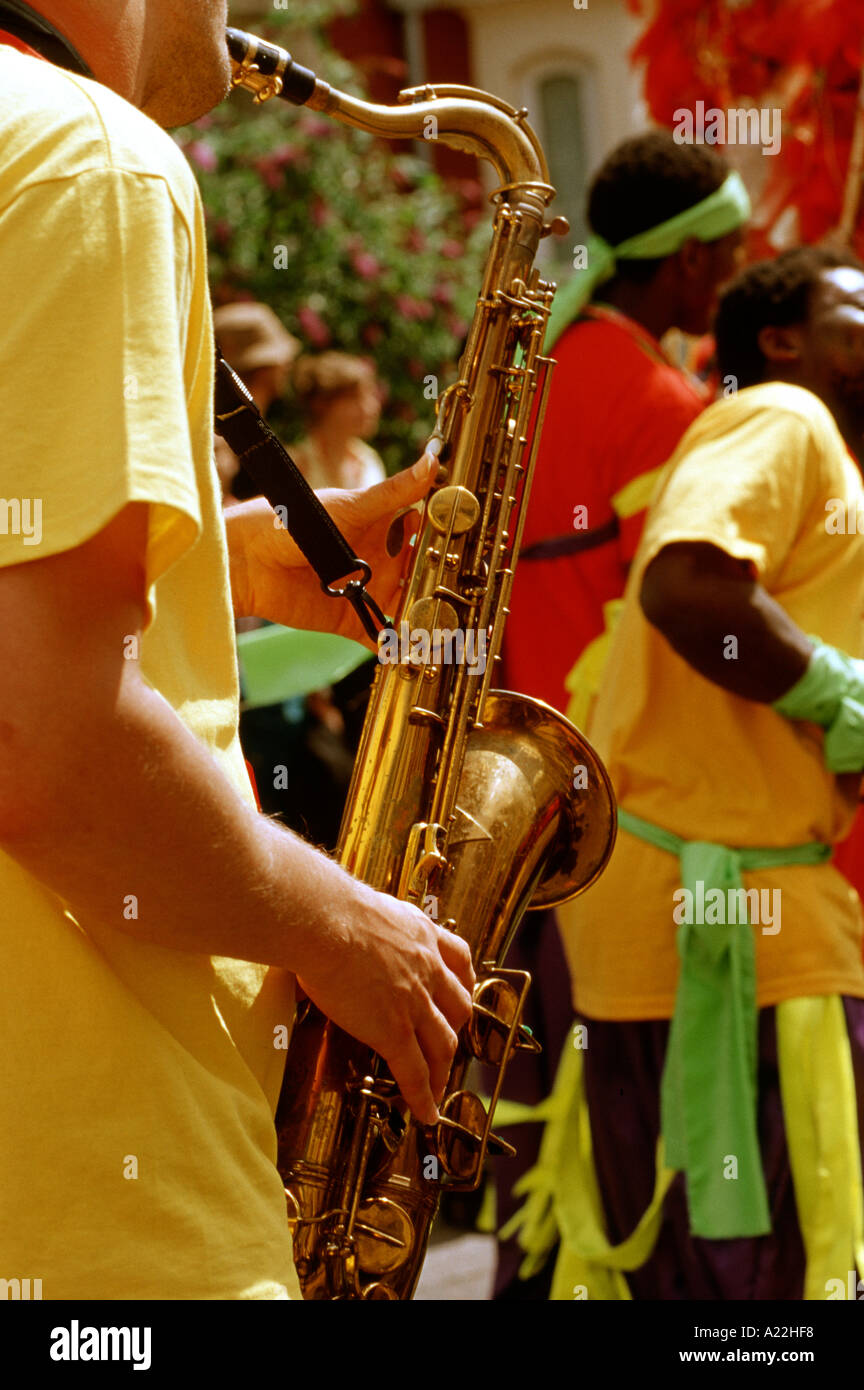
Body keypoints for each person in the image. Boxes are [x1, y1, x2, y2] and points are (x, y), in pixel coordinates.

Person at [0, 0, 473, 1300]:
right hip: (91, 1218)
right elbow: (39, 739)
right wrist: (337, 925)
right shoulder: (81, 155)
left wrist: (217, 558)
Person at [510, 247, 864, 1300]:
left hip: (724, 918)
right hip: (723, 926)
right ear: (783, 342)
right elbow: (684, 583)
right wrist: (837, 698)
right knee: (759, 1284)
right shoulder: (780, 417)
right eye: (859, 309)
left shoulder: (829, 469)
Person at [490, 132, 749, 1300]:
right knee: (654, 1137)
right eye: (731, 255)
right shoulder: (665, 401)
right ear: (692, 268)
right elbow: (687, 632)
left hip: (527, 803)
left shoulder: (543, 367)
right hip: (633, 815)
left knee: (547, 1115)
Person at [212, 300, 299, 499]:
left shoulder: (254, 429)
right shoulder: (222, 444)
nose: (287, 364)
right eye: (279, 359)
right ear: (261, 366)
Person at [291, 351, 387, 492]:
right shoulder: (298, 466)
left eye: (370, 396)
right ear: (321, 404)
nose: (371, 407)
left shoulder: (369, 462)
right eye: (354, 398)